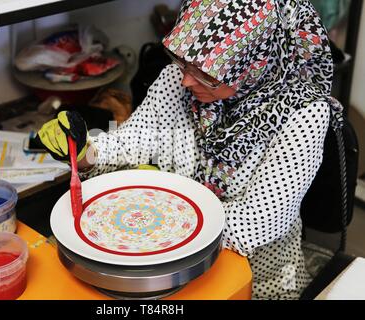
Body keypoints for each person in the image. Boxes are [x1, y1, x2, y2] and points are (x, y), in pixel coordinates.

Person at [35, 0, 344, 300]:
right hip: (171, 270)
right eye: (183, 61)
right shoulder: (178, 79)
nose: (185, 79)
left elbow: (256, 222)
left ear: (254, 64)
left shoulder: (303, 114)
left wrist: (162, 214)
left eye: (206, 73)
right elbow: (133, 139)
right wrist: (84, 151)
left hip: (257, 278)